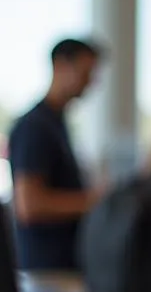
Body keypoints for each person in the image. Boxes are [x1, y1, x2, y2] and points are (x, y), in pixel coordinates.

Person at [8, 37, 103, 270]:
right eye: (85, 72)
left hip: (62, 265)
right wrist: (94, 201)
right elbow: (29, 205)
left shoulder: (57, 123)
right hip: (45, 270)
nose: (90, 82)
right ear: (60, 66)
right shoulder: (35, 126)